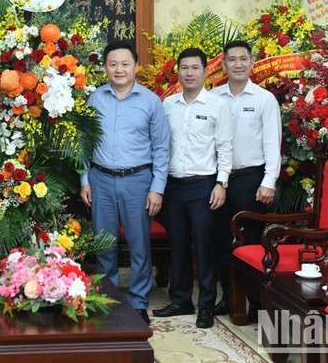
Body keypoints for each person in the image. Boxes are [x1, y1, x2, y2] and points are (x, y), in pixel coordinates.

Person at [80, 40, 170, 325]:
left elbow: (162, 148)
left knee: (139, 245)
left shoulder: (151, 101)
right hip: (100, 179)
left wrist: (157, 187)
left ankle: (139, 301)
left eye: (125, 64)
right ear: (105, 67)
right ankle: (106, 297)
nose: (119, 69)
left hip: (138, 180)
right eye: (113, 64)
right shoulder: (95, 98)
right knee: (103, 243)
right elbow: (84, 143)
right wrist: (85, 180)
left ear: (136, 67)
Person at [153, 47, 232, 329]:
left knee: (204, 246)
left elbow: (225, 147)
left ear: (205, 71)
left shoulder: (216, 105)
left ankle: (206, 306)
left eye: (195, 68)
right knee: (178, 246)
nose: (189, 73)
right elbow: (160, 146)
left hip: (203, 185)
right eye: (184, 68)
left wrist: (221, 183)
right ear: (178, 72)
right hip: (174, 185)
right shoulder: (168, 105)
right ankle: (181, 300)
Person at [210, 40, 282, 316]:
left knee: (250, 242)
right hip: (219, 182)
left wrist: (268, 182)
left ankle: (255, 302)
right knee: (220, 240)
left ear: (252, 63)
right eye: (232, 60)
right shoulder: (214, 97)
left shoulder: (264, 99)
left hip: (252, 181)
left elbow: (272, 144)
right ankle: (230, 298)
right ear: (224, 65)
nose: (238, 64)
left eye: (243, 59)